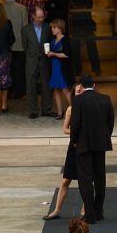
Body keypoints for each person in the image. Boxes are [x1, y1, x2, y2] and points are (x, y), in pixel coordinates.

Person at [70, 74, 114, 224]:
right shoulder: (105, 99)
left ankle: (89, 213)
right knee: (100, 177)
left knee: (85, 179)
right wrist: (105, 136)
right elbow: (110, 121)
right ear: (94, 85)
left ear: (81, 86)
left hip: (83, 143)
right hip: (101, 143)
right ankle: (98, 211)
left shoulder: (78, 100)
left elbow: (75, 124)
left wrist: (74, 140)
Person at [43, 83, 84, 220]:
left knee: (85, 181)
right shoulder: (70, 110)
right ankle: (57, 210)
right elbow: (65, 129)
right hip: (73, 148)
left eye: (81, 90)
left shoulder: (88, 109)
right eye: (77, 91)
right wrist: (76, 131)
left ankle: (85, 209)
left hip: (85, 148)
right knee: (65, 180)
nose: (80, 93)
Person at [24, 7, 54, 119]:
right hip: (31, 61)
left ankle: (47, 109)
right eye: (39, 17)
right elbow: (25, 46)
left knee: (46, 85)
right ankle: (33, 111)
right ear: (33, 16)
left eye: (43, 16)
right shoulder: (26, 30)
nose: (41, 19)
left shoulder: (48, 28)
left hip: (45, 60)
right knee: (31, 85)